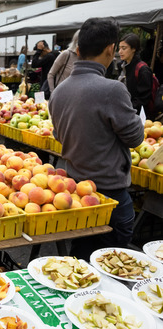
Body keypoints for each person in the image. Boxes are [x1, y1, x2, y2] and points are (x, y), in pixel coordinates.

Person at [49, 17, 144, 261]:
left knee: (81, 258)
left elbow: (59, 134)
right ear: (111, 49)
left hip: (77, 193)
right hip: (110, 196)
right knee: (111, 262)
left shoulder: (58, 92)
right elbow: (136, 138)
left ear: (78, 50)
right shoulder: (112, 90)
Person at [118, 33, 154, 118]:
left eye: (124, 48)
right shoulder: (122, 66)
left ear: (133, 49)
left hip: (137, 117)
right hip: (122, 112)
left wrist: (127, 110)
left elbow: (143, 99)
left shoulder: (143, 70)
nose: (120, 52)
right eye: (119, 48)